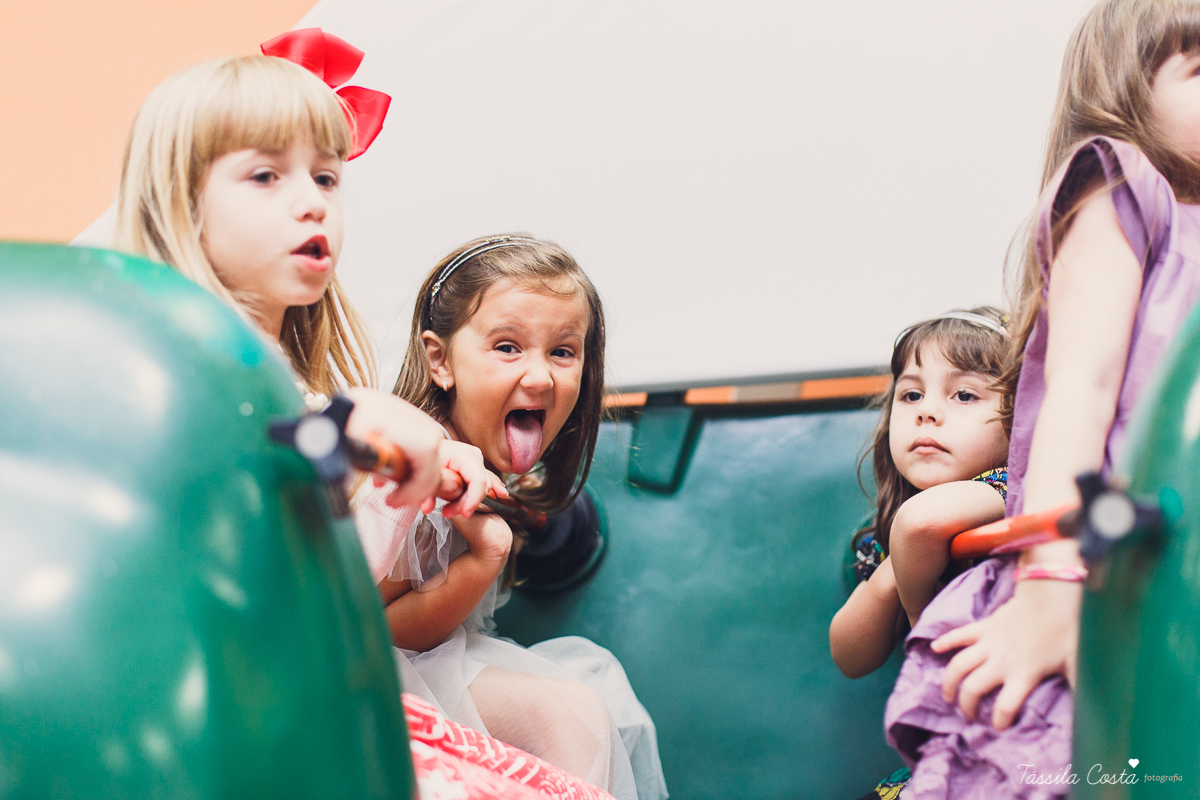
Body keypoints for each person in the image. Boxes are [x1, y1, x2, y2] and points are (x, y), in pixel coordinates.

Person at [885, 1, 1200, 795]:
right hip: (1103, 573)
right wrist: (1054, 584)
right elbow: (1082, 393)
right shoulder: (1127, 186)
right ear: (1127, 92)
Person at [110, 30, 500, 517]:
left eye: (325, 178)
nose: (314, 203)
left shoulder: (290, 382)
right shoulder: (153, 370)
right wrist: (338, 421)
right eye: (265, 176)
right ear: (180, 203)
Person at [354, 235, 668, 800]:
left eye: (563, 352)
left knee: (604, 697)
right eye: (507, 347)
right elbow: (373, 638)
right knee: (567, 712)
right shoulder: (419, 472)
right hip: (372, 684)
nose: (542, 377)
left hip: (441, 662)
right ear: (440, 360)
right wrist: (485, 559)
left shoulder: (492, 470)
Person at [830, 308, 1010, 680]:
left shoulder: (1012, 490)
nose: (927, 411)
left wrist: (919, 618)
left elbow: (920, 523)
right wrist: (889, 574)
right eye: (911, 394)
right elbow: (850, 657)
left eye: (963, 395)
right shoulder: (884, 533)